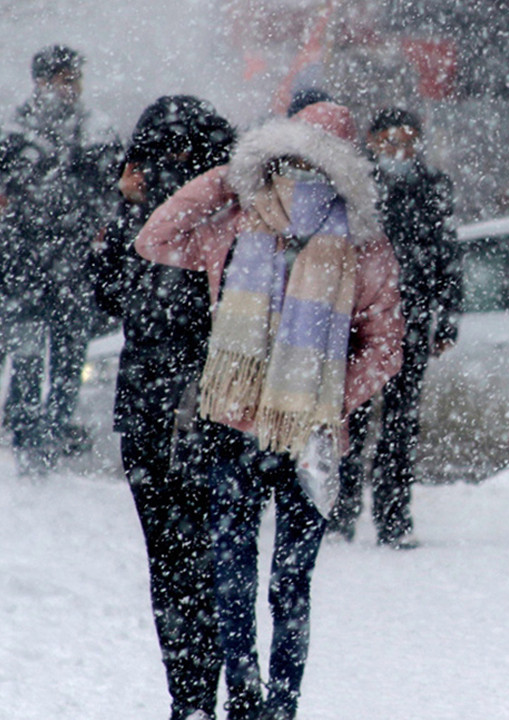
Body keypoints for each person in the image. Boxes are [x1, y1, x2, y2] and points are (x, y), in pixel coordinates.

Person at [135, 101, 405, 720]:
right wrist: (230, 176)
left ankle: (272, 703)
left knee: (278, 581)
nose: (296, 176)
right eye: (286, 161)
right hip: (237, 430)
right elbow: (154, 239)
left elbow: (385, 347)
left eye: (311, 164)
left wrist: (322, 399)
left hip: (308, 439)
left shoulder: (363, 246)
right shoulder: (238, 223)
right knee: (246, 578)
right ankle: (252, 697)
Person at [89, 95, 235, 720]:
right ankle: (193, 696)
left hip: (204, 406)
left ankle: (203, 692)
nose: (166, 166)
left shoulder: (222, 214)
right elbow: (107, 291)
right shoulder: (146, 218)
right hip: (156, 410)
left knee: (197, 561)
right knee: (178, 562)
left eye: (177, 152)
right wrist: (123, 206)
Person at [328, 107, 460, 549]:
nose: (400, 151)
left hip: (411, 321)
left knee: (401, 425)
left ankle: (394, 518)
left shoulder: (432, 187)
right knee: (351, 419)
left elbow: (447, 254)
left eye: (408, 142)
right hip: (360, 322)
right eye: (391, 141)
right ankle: (340, 513)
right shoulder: (354, 185)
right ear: (372, 141)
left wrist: (448, 318)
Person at [0, 44, 119, 473]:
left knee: (69, 359)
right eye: (65, 79)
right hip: (24, 266)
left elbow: (112, 190)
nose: (73, 88)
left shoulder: (96, 130)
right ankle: (27, 436)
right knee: (29, 356)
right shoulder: (14, 131)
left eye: (75, 79)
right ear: (42, 82)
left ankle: (51, 437)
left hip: (72, 266)